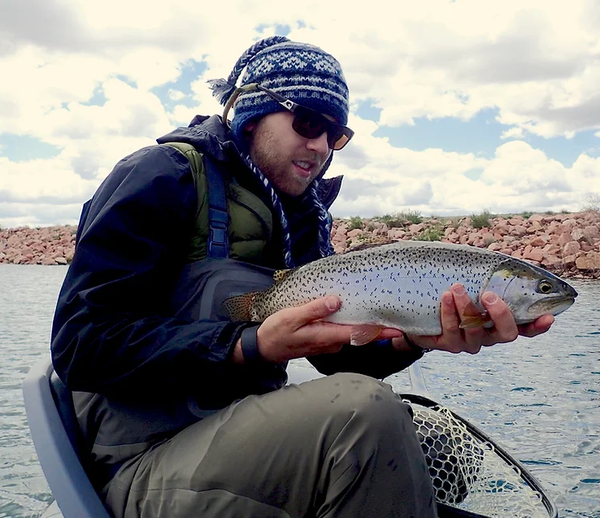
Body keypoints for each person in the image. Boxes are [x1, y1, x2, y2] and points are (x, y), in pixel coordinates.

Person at [51, 36, 554, 518]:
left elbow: (335, 360)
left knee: (440, 450)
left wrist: (410, 341)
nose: (320, 146)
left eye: (335, 135)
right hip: (142, 466)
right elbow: (80, 345)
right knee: (366, 415)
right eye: (308, 121)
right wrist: (247, 345)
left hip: (238, 438)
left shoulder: (303, 216)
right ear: (252, 115)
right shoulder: (163, 176)